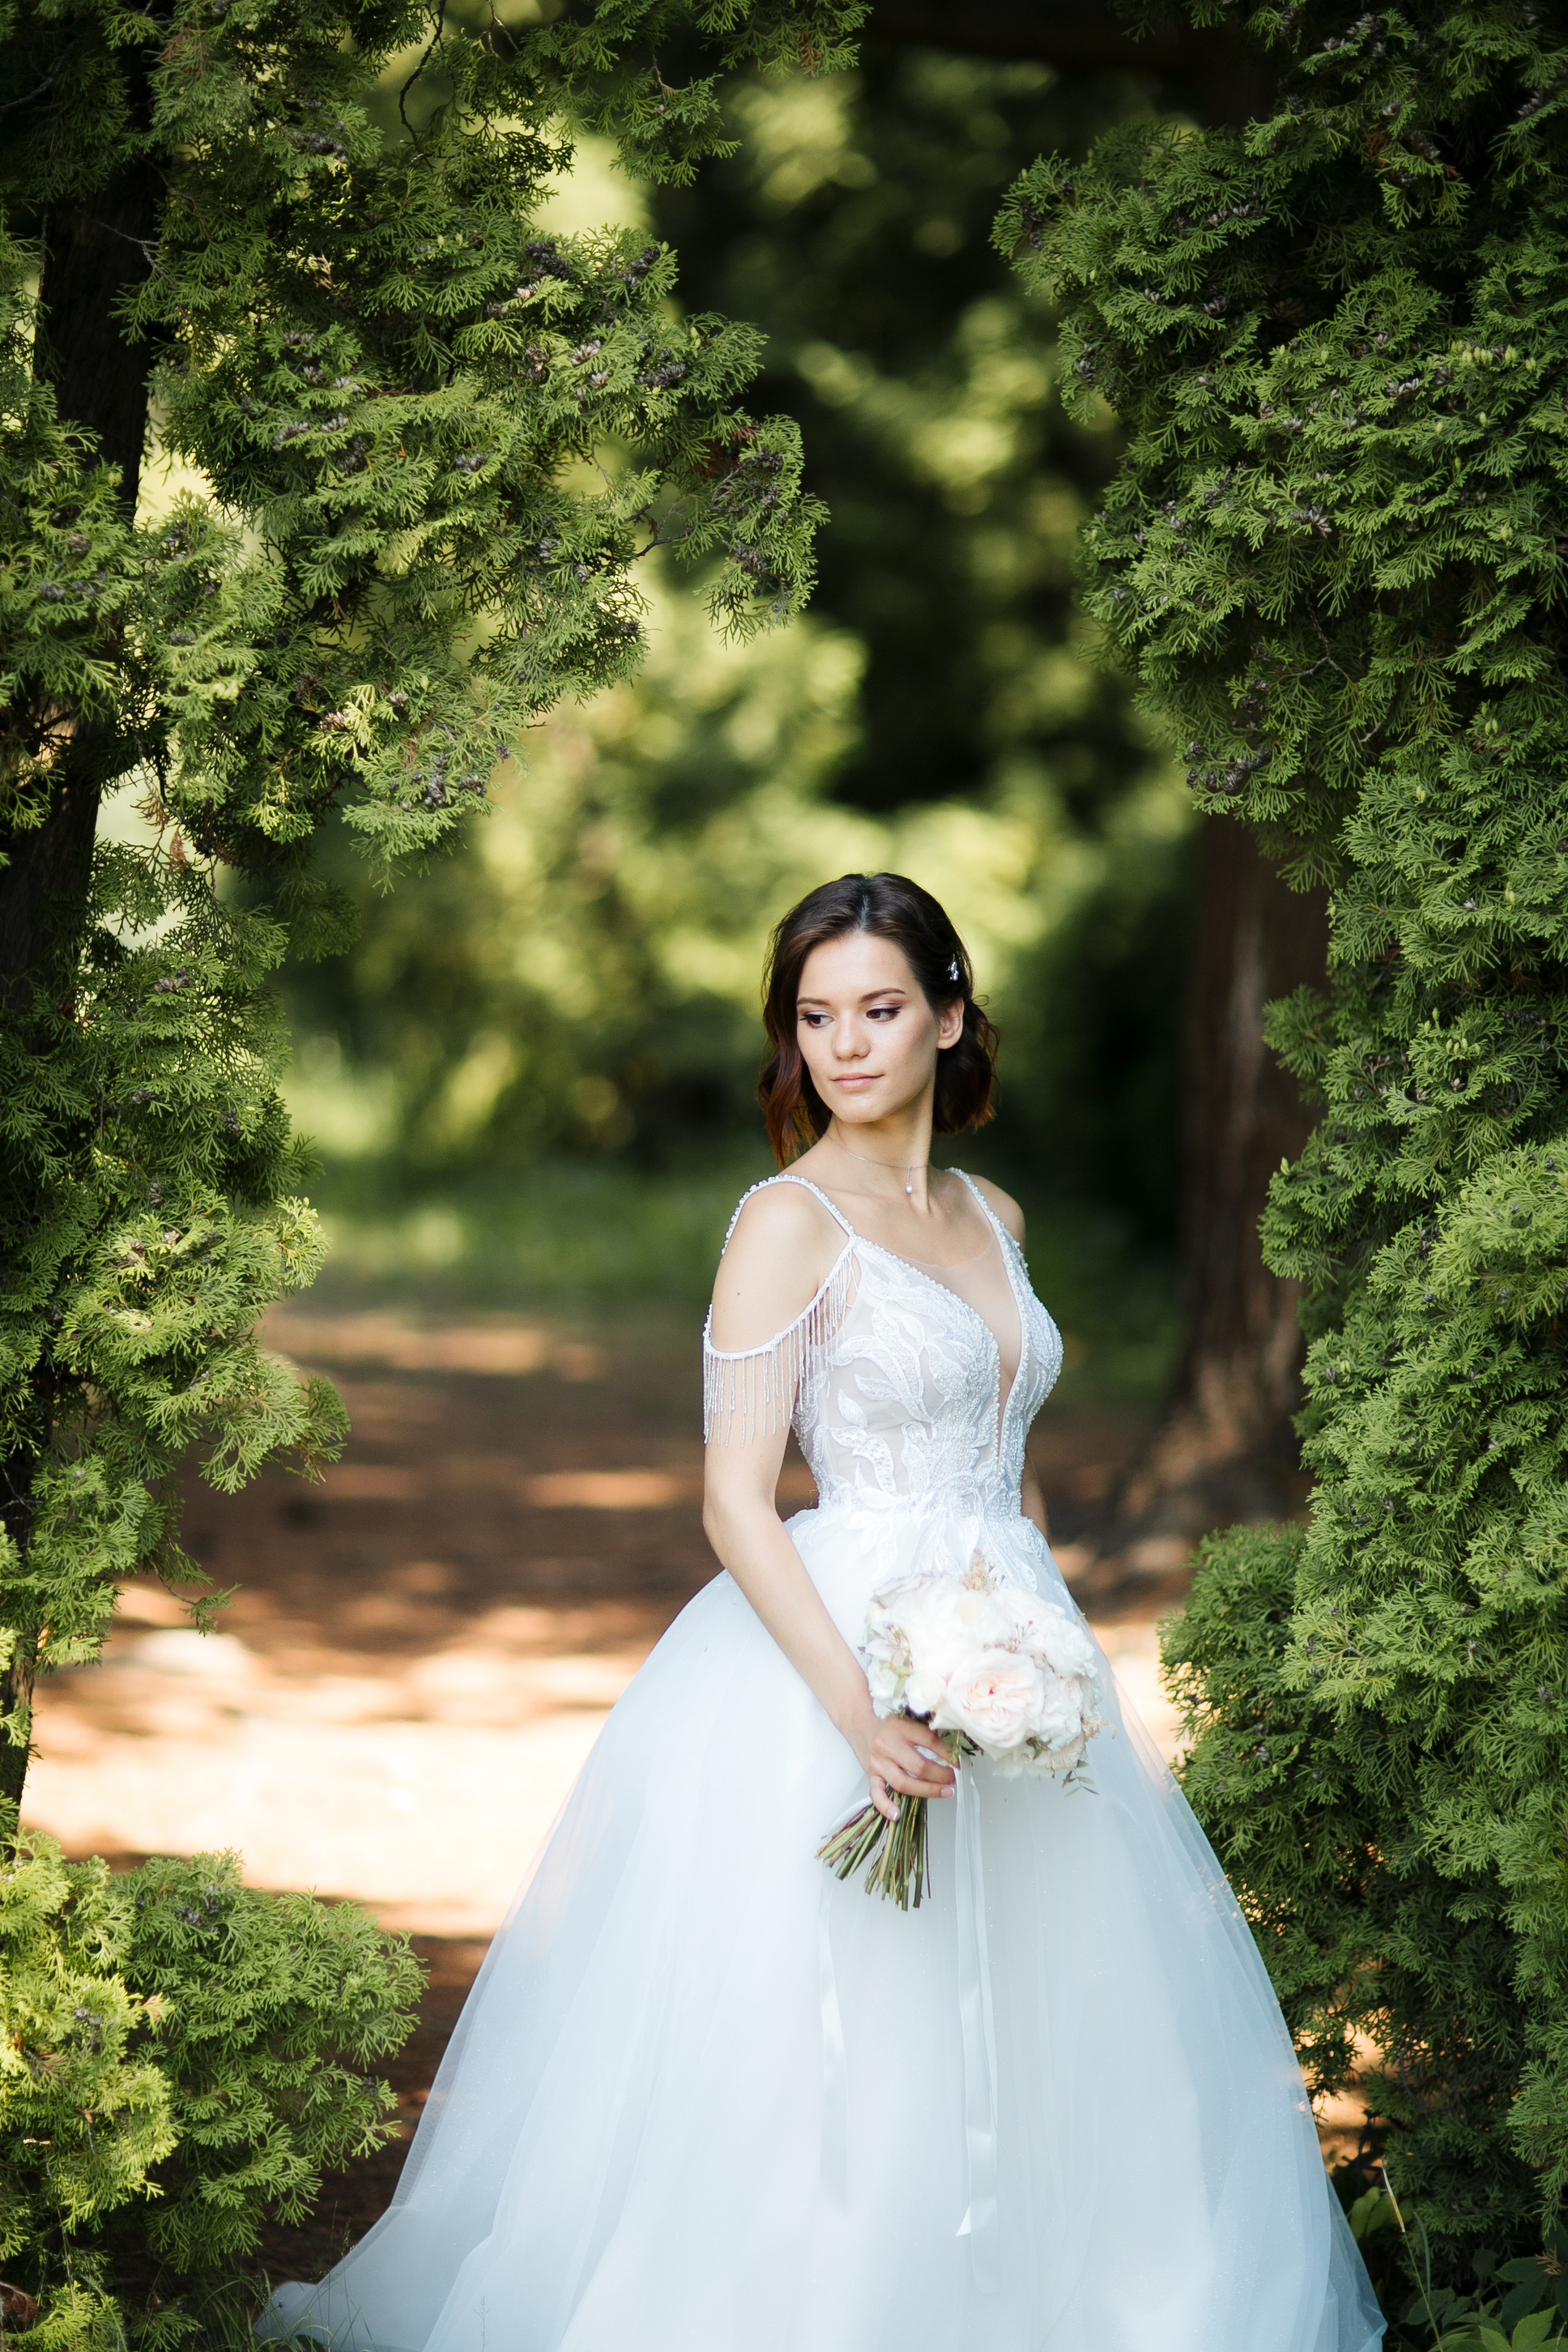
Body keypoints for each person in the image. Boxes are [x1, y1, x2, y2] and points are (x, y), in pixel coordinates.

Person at [263, 872, 1384, 2352]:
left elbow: (1008, 1463)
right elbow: (734, 1500)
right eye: (814, 1017)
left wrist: (1043, 1655)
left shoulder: (994, 1211)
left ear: (948, 1013)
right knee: (839, 2029)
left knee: (1059, 2014)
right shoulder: (785, 1223)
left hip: (1007, 1642)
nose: (844, 1045)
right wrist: (859, 1713)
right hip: (832, 1645)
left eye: (877, 1008)